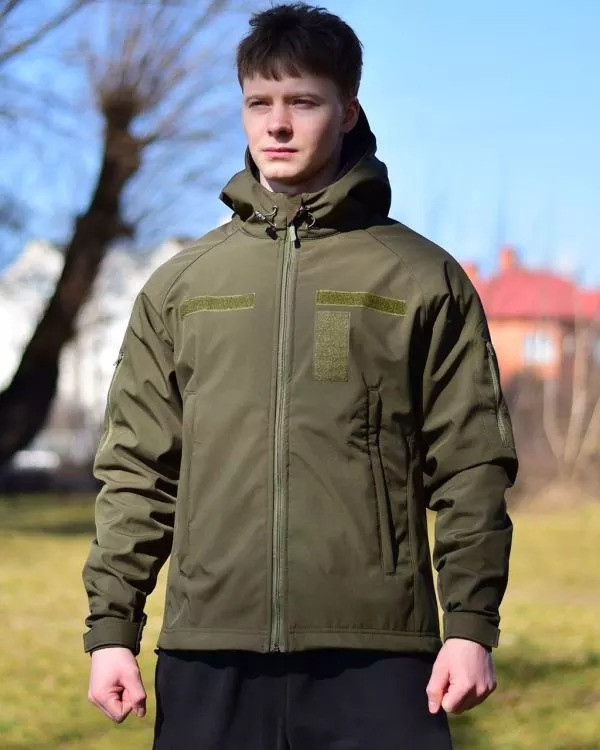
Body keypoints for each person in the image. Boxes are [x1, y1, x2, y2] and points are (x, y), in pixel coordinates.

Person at [82, 4, 518, 749]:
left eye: (303, 102)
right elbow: (137, 469)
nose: (277, 125)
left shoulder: (420, 277)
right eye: (260, 103)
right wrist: (112, 629)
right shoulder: (183, 285)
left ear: (347, 111)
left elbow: (472, 464)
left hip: (378, 653)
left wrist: (470, 625)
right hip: (209, 648)